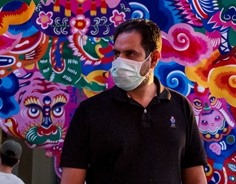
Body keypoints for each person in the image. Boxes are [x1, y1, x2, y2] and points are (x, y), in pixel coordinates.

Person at [60, 19, 207, 184]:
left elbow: (195, 177)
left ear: (154, 58)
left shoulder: (180, 107)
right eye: (117, 54)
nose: (120, 61)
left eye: (130, 54)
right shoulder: (90, 111)